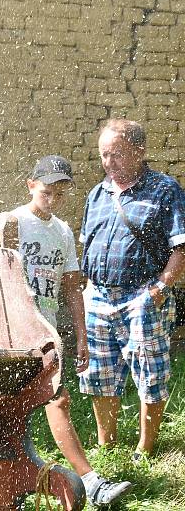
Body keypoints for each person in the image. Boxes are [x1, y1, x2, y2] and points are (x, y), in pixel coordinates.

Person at [0, 155, 131, 507]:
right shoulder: (12, 221)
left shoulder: (63, 231)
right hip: (13, 335)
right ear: (30, 185)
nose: (52, 199)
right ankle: (89, 481)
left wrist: (82, 335)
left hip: (47, 333)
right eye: (46, 191)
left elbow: (71, 286)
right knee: (44, 402)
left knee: (53, 401)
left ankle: (29, 483)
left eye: (60, 193)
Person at [79, 118, 185, 462]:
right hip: (97, 296)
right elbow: (87, 245)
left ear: (140, 151)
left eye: (117, 155)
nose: (109, 163)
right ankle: (106, 444)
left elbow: (180, 249)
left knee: (149, 373)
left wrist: (158, 289)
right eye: (104, 155)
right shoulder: (97, 194)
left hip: (142, 296)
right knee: (100, 373)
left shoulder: (164, 190)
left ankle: (145, 448)